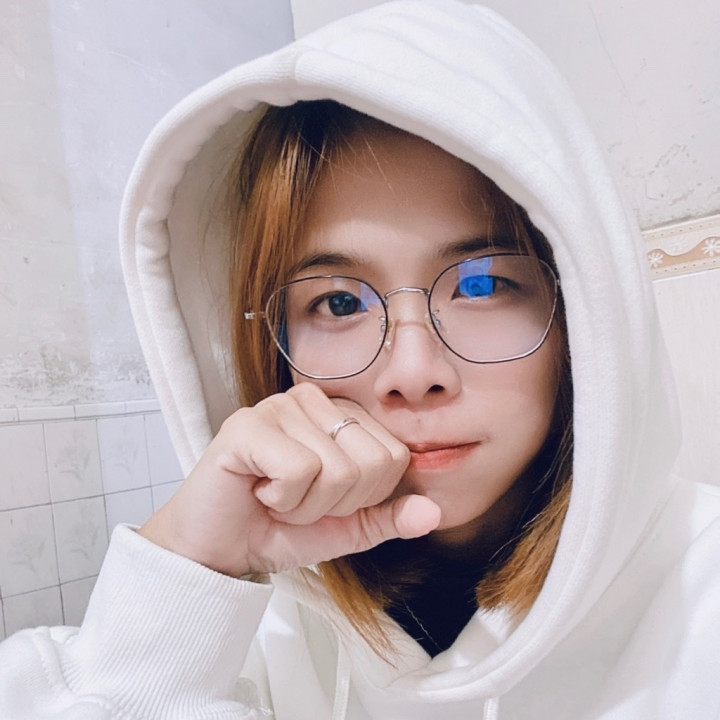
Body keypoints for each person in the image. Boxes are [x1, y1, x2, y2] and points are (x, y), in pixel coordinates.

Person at [1, 1, 718, 718]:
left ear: (581, 313)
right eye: (339, 302)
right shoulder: (250, 620)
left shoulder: (699, 595)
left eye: (482, 284)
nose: (412, 372)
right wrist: (188, 574)